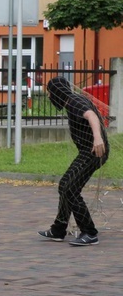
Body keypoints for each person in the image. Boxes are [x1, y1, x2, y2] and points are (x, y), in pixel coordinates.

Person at [38, 76, 109, 246]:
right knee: (66, 186)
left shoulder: (75, 102)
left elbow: (91, 115)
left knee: (68, 188)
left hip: (93, 152)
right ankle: (58, 229)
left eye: (49, 92)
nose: (49, 96)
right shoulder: (72, 102)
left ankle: (89, 233)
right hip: (88, 151)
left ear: (57, 92)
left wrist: (97, 138)